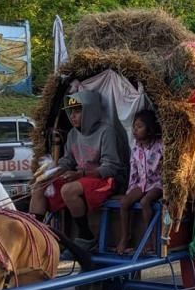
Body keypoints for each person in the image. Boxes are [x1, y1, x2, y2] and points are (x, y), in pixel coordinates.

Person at [30, 90, 127, 252]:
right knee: (39, 186)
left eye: (77, 111)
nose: (72, 116)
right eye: (71, 112)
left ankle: (87, 236)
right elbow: (68, 161)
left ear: (89, 111)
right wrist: (50, 172)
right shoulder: (74, 134)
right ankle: (34, 234)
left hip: (106, 180)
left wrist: (80, 174)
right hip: (81, 179)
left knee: (69, 189)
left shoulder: (106, 131)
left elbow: (111, 167)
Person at [116, 109, 163, 255]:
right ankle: (125, 236)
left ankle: (149, 240)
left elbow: (168, 168)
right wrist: (131, 191)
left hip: (157, 184)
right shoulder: (136, 148)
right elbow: (134, 172)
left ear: (149, 129)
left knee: (145, 202)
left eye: (140, 127)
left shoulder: (161, 145)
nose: (135, 130)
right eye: (134, 127)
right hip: (142, 184)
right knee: (124, 203)